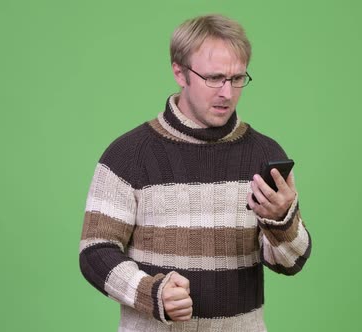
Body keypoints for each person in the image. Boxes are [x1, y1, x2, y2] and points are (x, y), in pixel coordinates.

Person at [78, 14, 312, 332]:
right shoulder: (128, 156)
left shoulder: (265, 155)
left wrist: (281, 220)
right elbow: (95, 251)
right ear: (180, 72)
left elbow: (289, 261)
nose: (226, 93)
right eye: (214, 78)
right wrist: (152, 292)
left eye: (237, 78)